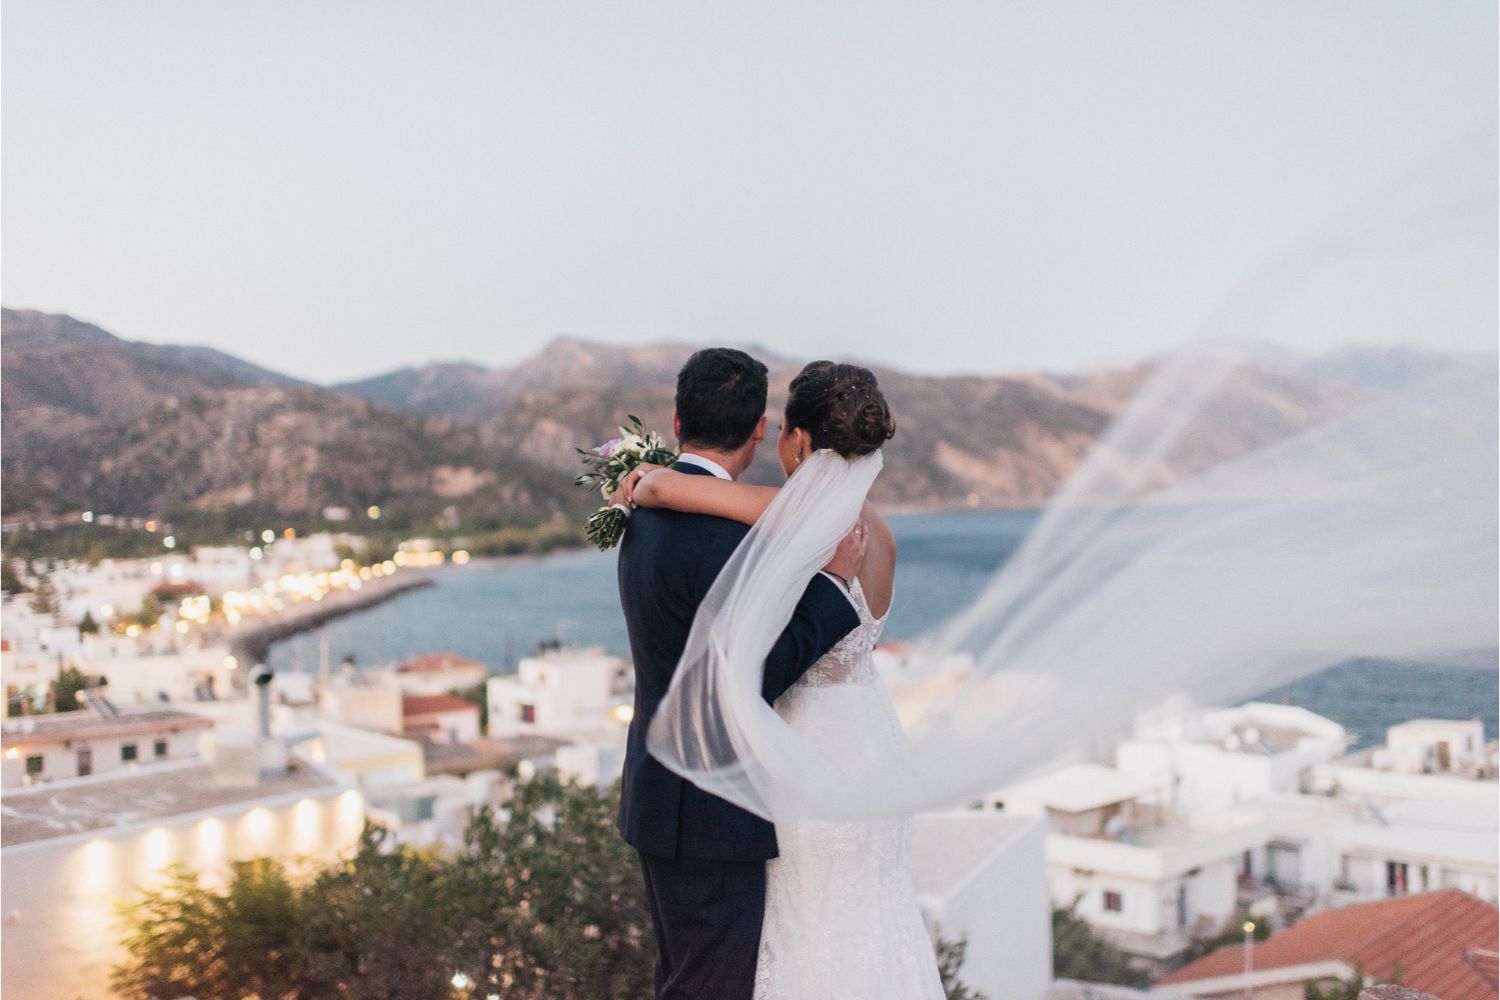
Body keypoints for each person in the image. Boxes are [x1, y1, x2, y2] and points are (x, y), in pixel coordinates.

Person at [617, 361, 945, 1000]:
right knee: (867, 921)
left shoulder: (797, 523)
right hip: (870, 747)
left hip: (802, 760)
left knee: (804, 934)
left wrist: (652, 484)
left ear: (793, 439)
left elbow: (690, 498)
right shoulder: (882, 536)